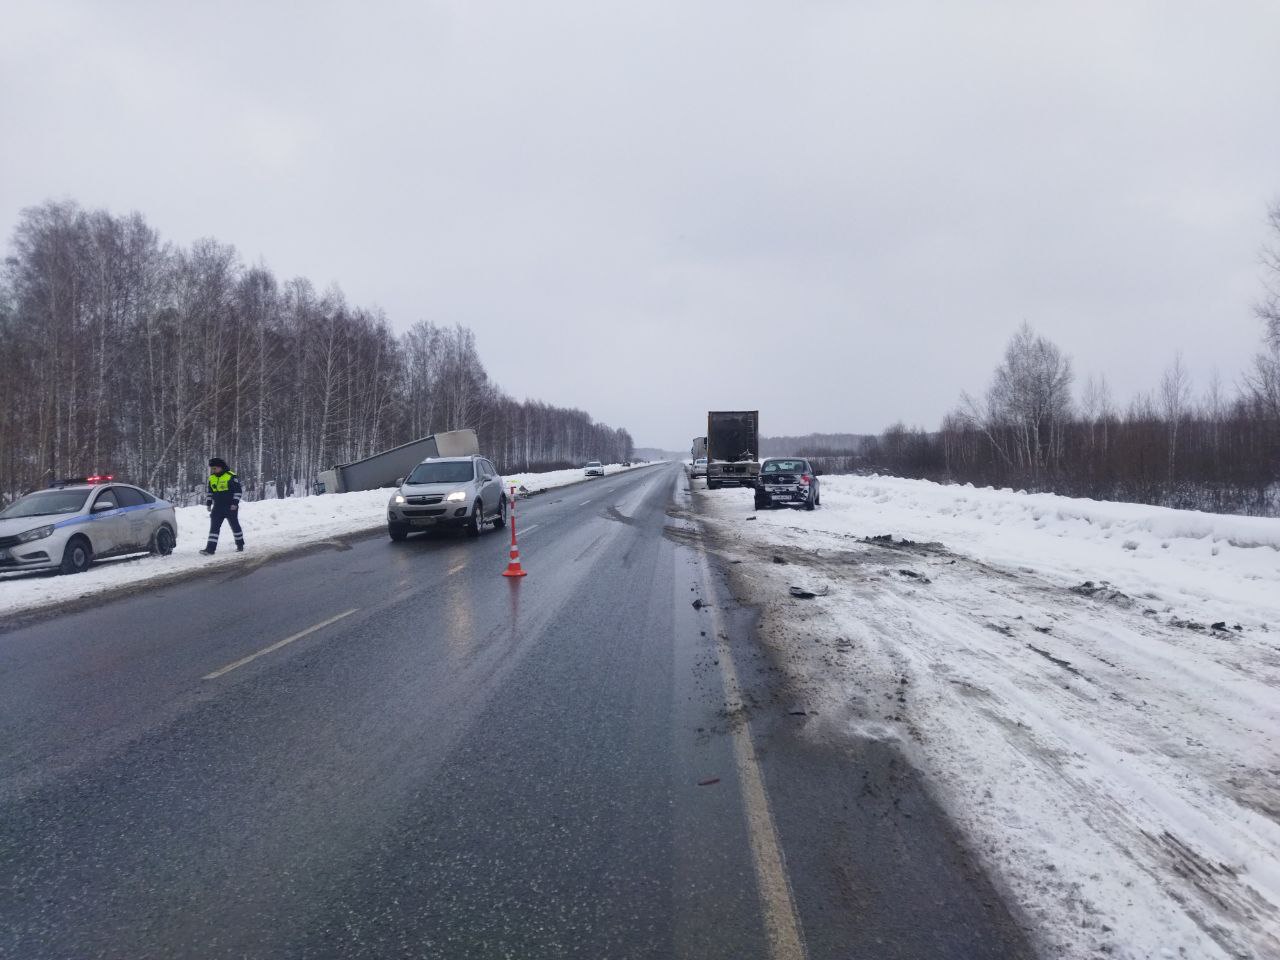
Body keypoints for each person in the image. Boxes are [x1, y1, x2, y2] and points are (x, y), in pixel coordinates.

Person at [200, 457, 244, 555]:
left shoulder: (231, 476)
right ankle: (210, 549)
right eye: (212, 468)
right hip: (217, 507)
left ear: (221, 467)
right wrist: (208, 503)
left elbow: (238, 491)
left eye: (215, 468)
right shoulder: (212, 478)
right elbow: (210, 492)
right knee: (214, 528)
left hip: (230, 506)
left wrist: (234, 503)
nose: (213, 470)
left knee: (234, 526)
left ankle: (240, 544)